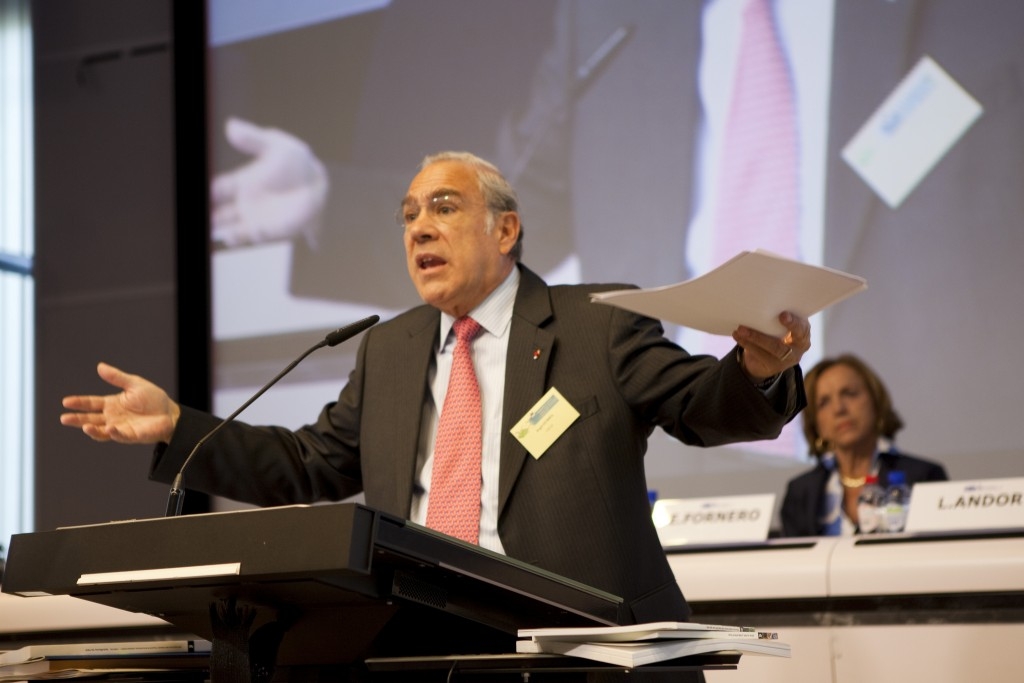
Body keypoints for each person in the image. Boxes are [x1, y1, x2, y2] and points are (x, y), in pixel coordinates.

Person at [62, 151, 810, 675]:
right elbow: (309, 463)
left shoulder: (596, 322)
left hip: (576, 649)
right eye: (408, 214)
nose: (418, 227)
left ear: (505, 230)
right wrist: (178, 426)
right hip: (416, 643)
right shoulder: (389, 349)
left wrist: (759, 370)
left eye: (443, 207)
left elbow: (700, 406)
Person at [779, 353, 948, 537]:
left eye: (849, 394)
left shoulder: (923, 477)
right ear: (816, 424)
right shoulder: (800, 493)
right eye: (824, 403)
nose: (839, 409)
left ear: (875, 401)